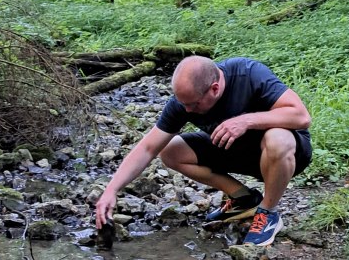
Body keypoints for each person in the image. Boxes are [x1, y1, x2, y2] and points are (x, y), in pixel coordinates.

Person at [95, 56, 312, 246]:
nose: (187, 110)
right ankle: (243, 198)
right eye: (183, 103)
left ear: (214, 88)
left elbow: (301, 116)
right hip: (237, 150)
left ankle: (268, 212)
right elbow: (148, 147)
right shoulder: (185, 101)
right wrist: (111, 190)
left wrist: (247, 121)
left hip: (285, 154)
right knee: (170, 150)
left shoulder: (248, 74)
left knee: (278, 138)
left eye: (194, 104)